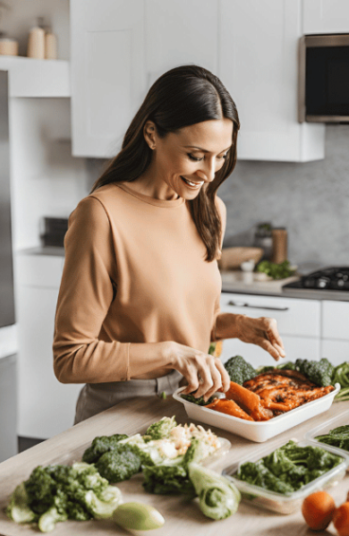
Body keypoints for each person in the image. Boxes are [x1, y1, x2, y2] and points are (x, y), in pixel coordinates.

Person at [53, 65, 287, 423]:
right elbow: (70, 359)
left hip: (195, 403)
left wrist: (237, 325)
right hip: (120, 413)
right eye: (195, 155)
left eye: (221, 155)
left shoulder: (210, 209)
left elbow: (182, 321)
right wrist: (171, 354)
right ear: (151, 134)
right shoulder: (100, 215)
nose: (210, 174)